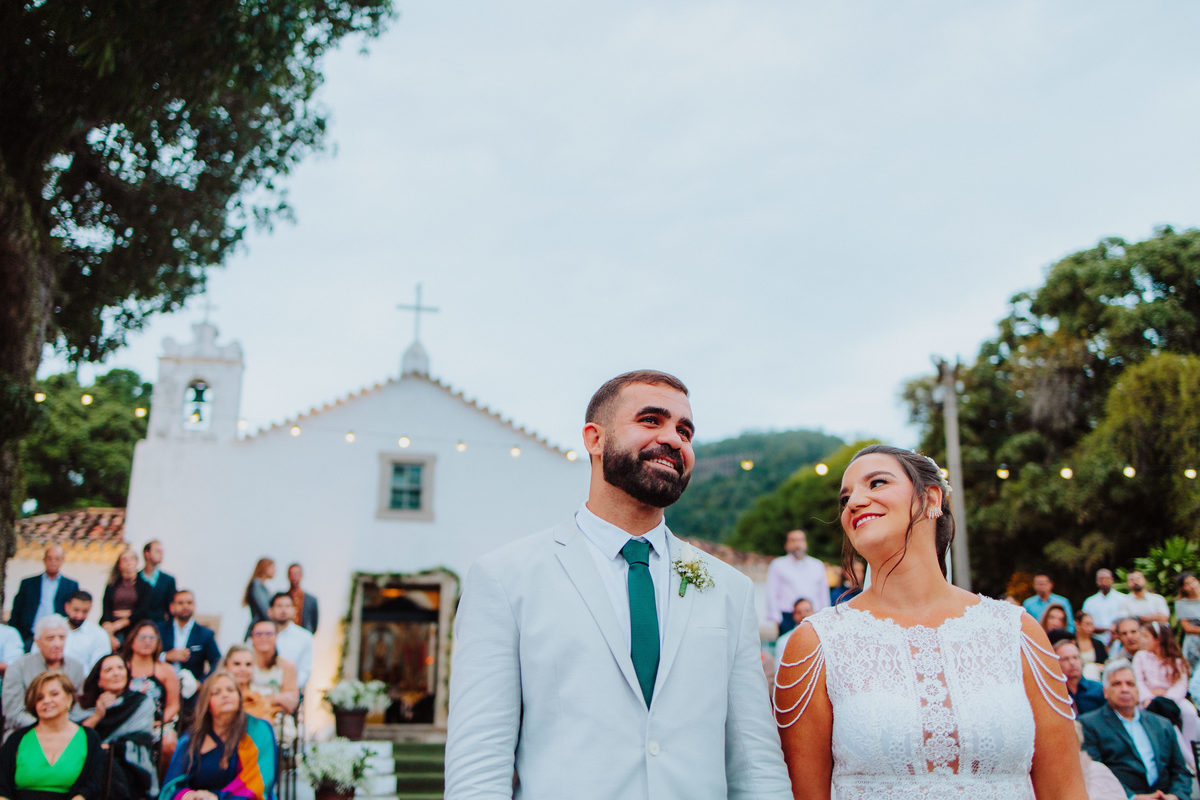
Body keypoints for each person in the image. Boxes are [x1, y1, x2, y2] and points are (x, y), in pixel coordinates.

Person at [445, 370, 791, 799]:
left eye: (685, 430)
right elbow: (479, 765)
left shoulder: (729, 589)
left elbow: (756, 762)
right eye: (651, 420)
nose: (675, 439)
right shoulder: (505, 577)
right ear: (594, 439)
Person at [774, 445, 1086, 799]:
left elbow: (1066, 791)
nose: (854, 502)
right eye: (845, 498)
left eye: (876, 483)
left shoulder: (1017, 632)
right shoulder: (817, 643)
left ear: (931, 497)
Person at [1080, 660, 1193, 800]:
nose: (1125, 689)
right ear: (1105, 692)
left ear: (1138, 691)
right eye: (1117, 684)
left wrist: (1176, 796)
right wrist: (1134, 797)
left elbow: (1181, 770)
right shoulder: (1089, 724)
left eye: (1130, 684)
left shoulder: (1161, 724)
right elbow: (1094, 775)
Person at [160, 671, 277, 800]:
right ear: (207, 703)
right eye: (216, 692)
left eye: (230, 690)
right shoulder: (192, 739)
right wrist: (189, 796)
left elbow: (258, 782)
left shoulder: (259, 730)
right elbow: (171, 787)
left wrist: (217, 798)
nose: (225, 695)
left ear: (239, 698)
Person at [0, 672, 101, 800]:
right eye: (40, 698)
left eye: (54, 694)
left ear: (69, 698)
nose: (46, 701)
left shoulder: (90, 738)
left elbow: (94, 785)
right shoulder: (17, 739)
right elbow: (1, 787)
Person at [77, 654, 157, 799]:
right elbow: (75, 738)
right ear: (99, 680)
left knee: (108, 766)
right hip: (87, 761)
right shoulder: (84, 706)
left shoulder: (141, 702)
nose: (116, 673)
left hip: (128, 763)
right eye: (108, 670)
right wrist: (98, 715)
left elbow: (141, 738)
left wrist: (110, 747)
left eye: (120, 668)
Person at [2, 616, 85, 736]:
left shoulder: (76, 667)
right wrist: (47, 727)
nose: (57, 644)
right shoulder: (18, 667)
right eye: (50, 638)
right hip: (25, 732)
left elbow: (79, 708)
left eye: (61, 637)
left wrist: (63, 727)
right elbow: (13, 713)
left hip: (66, 732)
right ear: (37, 642)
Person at [120, 619, 179, 766]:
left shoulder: (165, 670)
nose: (147, 642)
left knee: (169, 743)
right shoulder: (121, 666)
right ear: (132, 639)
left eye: (152, 638)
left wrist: (158, 722)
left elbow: (173, 705)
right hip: (125, 721)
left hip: (157, 723)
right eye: (142, 637)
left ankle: (161, 783)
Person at [1131, 620, 1198, 745]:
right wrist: (1148, 697)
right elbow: (1137, 680)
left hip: (1171, 698)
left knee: (1189, 711)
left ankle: (1189, 745)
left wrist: (1165, 699)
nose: (1142, 640)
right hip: (1147, 698)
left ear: (1159, 639)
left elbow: (1181, 684)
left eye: (1146, 636)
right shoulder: (1140, 657)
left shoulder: (1176, 660)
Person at [9, 545, 80, 650]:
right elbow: (17, 611)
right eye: (49, 558)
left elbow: (74, 611)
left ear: (62, 560)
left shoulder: (71, 585)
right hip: (30, 636)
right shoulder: (28, 583)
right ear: (44, 559)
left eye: (57, 559)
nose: (53, 562)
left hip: (57, 638)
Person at [766, 529, 830, 636]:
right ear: (787, 545)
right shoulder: (777, 565)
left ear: (805, 543)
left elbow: (823, 593)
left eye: (800, 540)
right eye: (793, 540)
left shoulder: (817, 565)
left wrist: (825, 616)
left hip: (814, 616)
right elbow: (772, 593)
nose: (797, 544)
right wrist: (777, 619)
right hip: (788, 617)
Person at [246, 621, 298, 717]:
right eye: (259, 634)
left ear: (276, 637)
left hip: (278, 719)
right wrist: (276, 699)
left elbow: (291, 701)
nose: (263, 638)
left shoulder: (286, 666)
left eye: (268, 634)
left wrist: (261, 700)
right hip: (249, 716)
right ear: (252, 638)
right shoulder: (246, 664)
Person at [100, 548, 150, 647]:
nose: (128, 563)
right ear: (119, 564)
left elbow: (143, 610)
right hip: (111, 626)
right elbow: (106, 607)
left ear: (136, 562)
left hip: (134, 626)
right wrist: (109, 626)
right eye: (125, 560)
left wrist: (121, 622)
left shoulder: (145, 586)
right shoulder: (111, 585)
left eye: (131, 559)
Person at [267, 593, 312, 688]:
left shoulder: (304, 637)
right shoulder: (261, 634)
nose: (283, 610)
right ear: (270, 611)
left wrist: (291, 688)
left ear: (294, 611)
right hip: (262, 690)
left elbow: (305, 670)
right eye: (279, 606)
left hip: (292, 691)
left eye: (287, 606)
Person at [62, 591, 111, 673]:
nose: (79, 615)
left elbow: (99, 667)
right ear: (67, 607)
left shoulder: (99, 634)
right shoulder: (53, 629)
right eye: (76, 610)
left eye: (85, 611)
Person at [1055, 639, 1105, 715]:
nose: (1072, 663)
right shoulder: (1055, 693)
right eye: (1066, 659)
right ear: (1056, 663)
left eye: (1075, 657)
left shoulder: (1098, 689)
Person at [1082, 568, 1127, 644]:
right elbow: (1085, 624)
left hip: (1119, 642)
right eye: (1101, 579)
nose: (1104, 582)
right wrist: (1107, 629)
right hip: (1096, 641)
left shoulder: (1122, 599)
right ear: (1097, 582)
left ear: (1112, 580)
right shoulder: (1090, 602)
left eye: (1107, 578)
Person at [140, 540, 177, 625]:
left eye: (162, 552)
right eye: (157, 551)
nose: (161, 554)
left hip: (160, 626)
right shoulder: (136, 578)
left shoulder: (168, 580)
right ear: (147, 553)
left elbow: (171, 608)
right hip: (138, 626)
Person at [773, 598, 815, 672]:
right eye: (799, 612)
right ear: (793, 616)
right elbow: (779, 670)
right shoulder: (783, 641)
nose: (803, 615)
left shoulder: (822, 638)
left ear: (814, 612)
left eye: (807, 611)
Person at [1173, 572, 1200, 670]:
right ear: (1183, 588)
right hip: (1194, 643)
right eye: (1187, 584)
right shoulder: (1181, 604)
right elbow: (1187, 627)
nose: (1192, 585)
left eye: (1193, 581)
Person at [1073, 611, 1108, 682]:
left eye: (1092, 624)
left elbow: (1105, 662)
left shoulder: (1098, 644)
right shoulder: (1071, 644)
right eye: (1087, 624)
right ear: (1078, 624)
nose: (1090, 628)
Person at [242, 559, 275, 632]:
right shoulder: (257, 585)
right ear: (264, 568)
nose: (274, 570)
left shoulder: (262, 586)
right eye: (272, 567)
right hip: (259, 628)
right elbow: (264, 609)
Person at [285, 564, 318, 634]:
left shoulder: (311, 600)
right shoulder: (283, 598)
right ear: (288, 576)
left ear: (301, 575)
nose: (294, 577)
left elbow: (314, 623)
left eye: (296, 574)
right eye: (291, 574)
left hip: (304, 634)